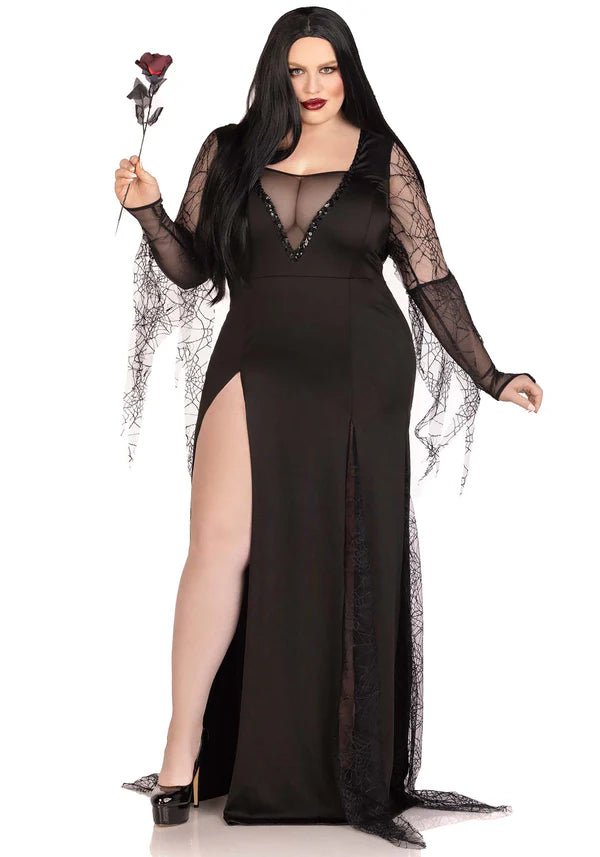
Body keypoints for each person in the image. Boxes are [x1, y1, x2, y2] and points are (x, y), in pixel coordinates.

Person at [114, 7, 542, 849]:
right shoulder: (228, 150)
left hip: (358, 366)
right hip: (254, 354)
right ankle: (181, 749)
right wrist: (150, 211)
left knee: (343, 552)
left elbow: (429, 274)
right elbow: (194, 266)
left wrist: (491, 374)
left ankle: (332, 756)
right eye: (297, 70)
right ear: (275, 73)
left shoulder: (383, 157)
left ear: (349, 72)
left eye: (327, 69)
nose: (312, 86)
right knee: (217, 542)